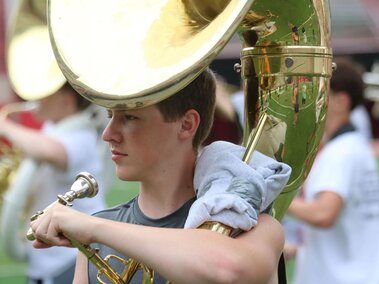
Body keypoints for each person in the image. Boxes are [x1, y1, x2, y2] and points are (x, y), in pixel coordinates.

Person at [29, 68, 290, 284]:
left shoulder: (256, 227)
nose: (108, 134)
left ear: (187, 124)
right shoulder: (96, 236)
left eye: (130, 117)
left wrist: (92, 228)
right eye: (110, 116)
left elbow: (228, 270)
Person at [0, 81, 107, 284]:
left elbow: (53, 151)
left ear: (66, 100)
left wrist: (5, 126)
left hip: (73, 255)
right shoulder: (52, 127)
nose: (35, 100)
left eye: (45, 94)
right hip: (46, 259)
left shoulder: (82, 134)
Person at [287, 57, 379, 284]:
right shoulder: (355, 146)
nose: (307, 99)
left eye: (318, 91)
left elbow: (323, 214)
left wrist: (277, 198)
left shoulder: (341, 153)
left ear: (341, 101)